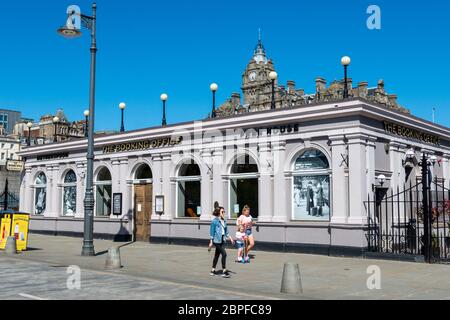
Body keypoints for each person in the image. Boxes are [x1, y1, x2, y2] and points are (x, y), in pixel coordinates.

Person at [209, 207, 235, 278]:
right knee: (224, 254)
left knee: (216, 255)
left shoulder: (224, 221)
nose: (224, 213)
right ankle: (224, 271)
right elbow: (212, 232)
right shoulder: (214, 221)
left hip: (222, 240)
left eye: (224, 211)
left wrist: (231, 239)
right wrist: (211, 242)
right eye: (222, 212)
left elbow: (226, 231)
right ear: (218, 213)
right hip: (216, 241)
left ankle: (213, 270)